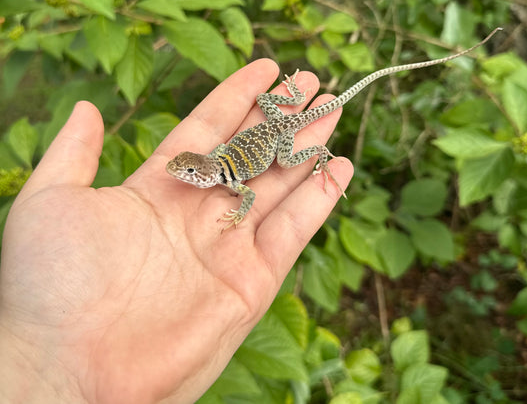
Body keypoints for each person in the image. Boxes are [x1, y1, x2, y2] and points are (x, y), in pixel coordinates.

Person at [0, 59, 352, 404]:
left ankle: (318, 150)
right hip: (267, 131)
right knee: (264, 102)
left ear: (205, 176)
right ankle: (290, 98)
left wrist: (237, 217)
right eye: (183, 169)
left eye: (186, 173)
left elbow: (252, 194)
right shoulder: (220, 165)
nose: (178, 174)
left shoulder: (232, 179)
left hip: (279, 134)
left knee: (286, 159)